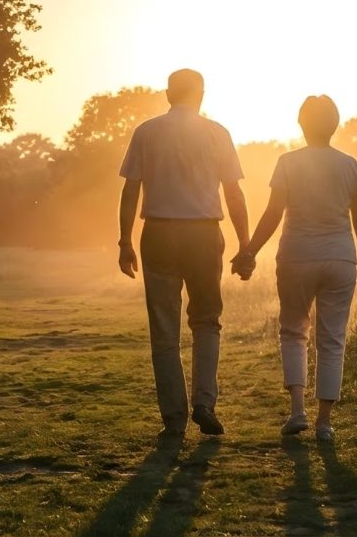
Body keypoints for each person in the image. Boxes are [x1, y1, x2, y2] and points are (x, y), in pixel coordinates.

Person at [118, 69, 253, 443]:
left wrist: (124, 241)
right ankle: (205, 403)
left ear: (167, 94)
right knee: (207, 320)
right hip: (204, 233)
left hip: (158, 232)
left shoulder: (147, 131)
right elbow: (234, 194)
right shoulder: (217, 133)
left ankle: (174, 420)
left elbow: (131, 190)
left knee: (164, 330)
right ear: (202, 95)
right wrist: (245, 244)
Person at [232, 95, 357, 442]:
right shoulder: (350, 164)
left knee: (293, 331)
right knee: (332, 339)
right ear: (335, 124)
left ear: (301, 123)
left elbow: (272, 213)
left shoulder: (287, 162)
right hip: (341, 257)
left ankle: (297, 411)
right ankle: (324, 423)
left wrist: (248, 250)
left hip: (297, 255)